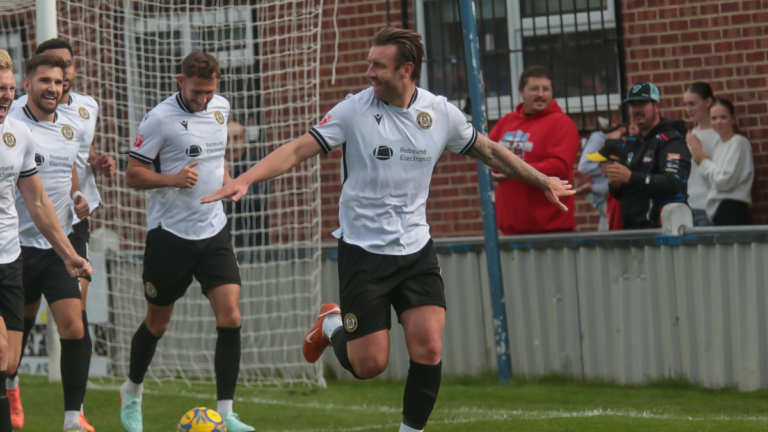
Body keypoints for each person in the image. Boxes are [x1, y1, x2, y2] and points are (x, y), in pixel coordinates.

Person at [200, 28, 574, 432]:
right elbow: (297, 148)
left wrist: (543, 180)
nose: (369, 72)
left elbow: (491, 150)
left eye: (378, 65)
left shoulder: (440, 113)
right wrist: (247, 179)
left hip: (415, 248)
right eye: (369, 63)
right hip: (363, 251)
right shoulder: (354, 110)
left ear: (406, 70)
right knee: (369, 364)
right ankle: (330, 324)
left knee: (429, 347)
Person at [120, 52, 254, 432]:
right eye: (197, 92)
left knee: (231, 316)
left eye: (210, 92)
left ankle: (226, 413)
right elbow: (133, 174)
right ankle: (131, 392)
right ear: (181, 81)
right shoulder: (159, 118)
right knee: (157, 323)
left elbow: (217, 158)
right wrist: (173, 179)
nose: (203, 100)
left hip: (213, 230)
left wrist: (228, 180)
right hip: (170, 235)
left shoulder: (221, 107)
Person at [9, 37, 116, 432]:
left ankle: (74, 417)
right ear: (27, 84)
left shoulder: (72, 127)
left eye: (58, 81)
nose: (52, 88)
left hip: (58, 244)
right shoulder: (12, 124)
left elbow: (69, 169)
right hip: (15, 247)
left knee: (74, 325)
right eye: (44, 81)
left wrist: (76, 193)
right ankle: (11, 387)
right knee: (11, 341)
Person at [489, 65, 580, 235]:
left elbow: (559, 168)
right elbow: (484, 155)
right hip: (510, 230)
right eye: (534, 89)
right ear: (521, 92)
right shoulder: (506, 122)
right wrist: (492, 169)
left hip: (550, 232)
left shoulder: (561, 123)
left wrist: (514, 170)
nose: (540, 94)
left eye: (545, 89)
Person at [607, 82, 691, 229]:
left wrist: (631, 177)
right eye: (633, 105)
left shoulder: (671, 140)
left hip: (664, 231)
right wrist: (615, 184)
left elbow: (673, 182)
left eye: (642, 104)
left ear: (657, 107)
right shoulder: (631, 143)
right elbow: (621, 193)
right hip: (632, 231)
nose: (637, 110)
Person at [687, 98, 754, 226]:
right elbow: (712, 182)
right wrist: (700, 157)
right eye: (714, 118)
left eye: (723, 117)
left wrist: (704, 161)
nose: (718, 122)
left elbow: (725, 181)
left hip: (733, 209)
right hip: (719, 210)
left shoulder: (739, 142)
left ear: (732, 119)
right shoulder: (719, 144)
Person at [224, 120, 267, 249]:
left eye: (237, 138)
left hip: (251, 243)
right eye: (227, 139)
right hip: (220, 243)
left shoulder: (256, 166)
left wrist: (228, 176)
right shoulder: (212, 168)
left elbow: (256, 202)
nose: (232, 144)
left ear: (245, 141)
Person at [576, 123, 627, 231]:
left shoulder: (619, 197)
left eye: (602, 161)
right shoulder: (613, 191)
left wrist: (591, 189)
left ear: (615, 163)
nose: (598, 165)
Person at [683, 82, 719, 226]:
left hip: (709, 207)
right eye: (686, 104)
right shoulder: (691, 134)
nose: (688, 109)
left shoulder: (720, 135)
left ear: (708, 102)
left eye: (692, 104)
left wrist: (698, 149)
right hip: (689, 206)